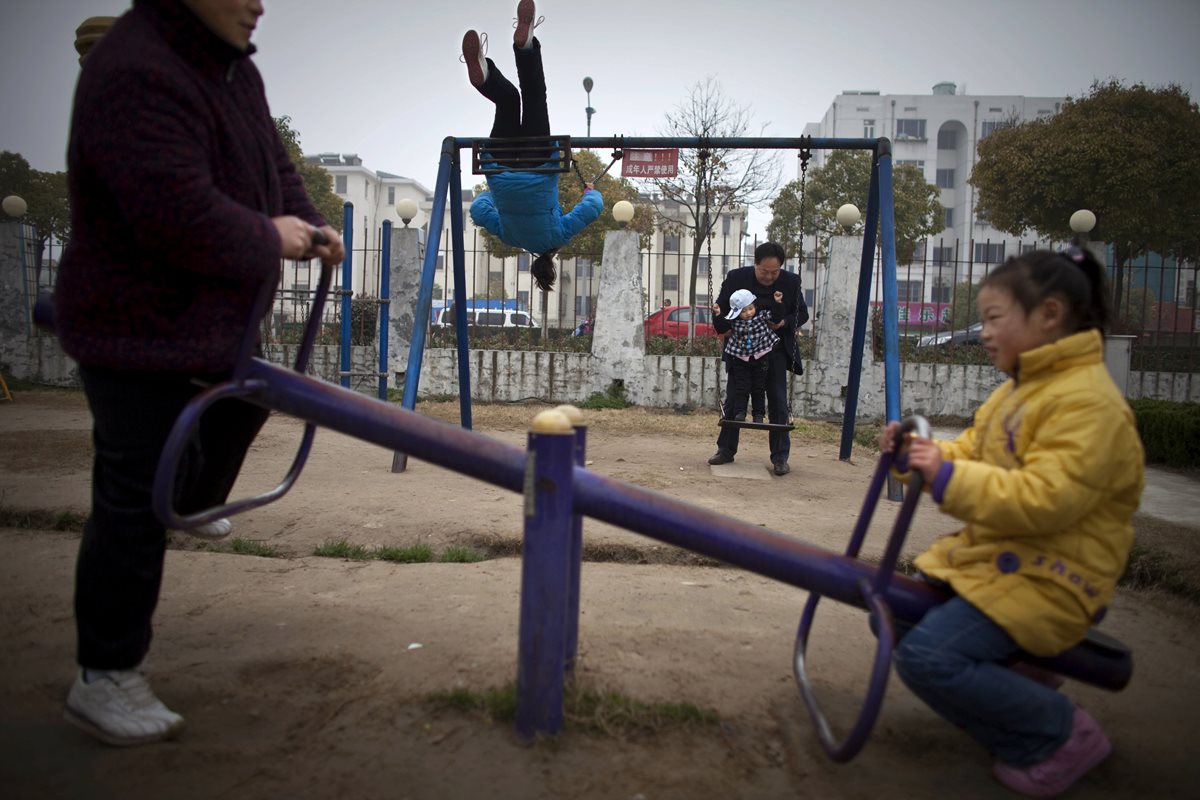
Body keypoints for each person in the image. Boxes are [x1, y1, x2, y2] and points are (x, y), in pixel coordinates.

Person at [53, 0, 344, 746]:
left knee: (242, 407)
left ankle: (186, 496)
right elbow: (170, 211)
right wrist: (269, 236)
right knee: (131, 498)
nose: (258, 3)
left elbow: (274, 166)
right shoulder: (135, 70)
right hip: (134, 329)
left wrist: (310, 222)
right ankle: (105, 675)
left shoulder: (231, 69)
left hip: (209, 330)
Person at [879, 247, 1143, 797]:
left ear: (1049, 314)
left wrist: (947, 476)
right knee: (893, 615)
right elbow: (969, 452)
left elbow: (1047, 498)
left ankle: (1059, 734)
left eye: (994, 318)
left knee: (927, 658)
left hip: (1054, 577)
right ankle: (1009, 684)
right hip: (1007, 567)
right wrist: (917, 458)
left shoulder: (1088, 404)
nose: (984, 333)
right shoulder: (1017, 393)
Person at [463, 0, 604, 292]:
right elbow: (478, 209)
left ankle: (525, 46)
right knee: (508, 101)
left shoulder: (558, 236)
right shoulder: (510, 236)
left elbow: (592, 209)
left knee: (534, 95)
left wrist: (590, 190)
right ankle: (485, 76)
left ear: (551, 262)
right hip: (499, 165)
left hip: (539, 163)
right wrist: (496, 195)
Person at [708, 242, 808, 476]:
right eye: (764, 271)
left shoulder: (791, 282)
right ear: (755, 264)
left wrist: (783, 322)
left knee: (778, 401)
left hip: (774, 349)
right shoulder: (736, 278)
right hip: (741, 349)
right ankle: (726, 450)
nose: (770, 277)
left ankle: (780, 457)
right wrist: (724, 326)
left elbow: (802, 313)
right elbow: (720, 307)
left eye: (775, 272)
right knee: (734, 399)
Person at [716, 288, 783, 424]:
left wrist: (777, 302)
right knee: (742, 387)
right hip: (741, 358)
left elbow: (776, 317)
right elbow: (722, 327)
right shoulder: (735, 322)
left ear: (755, 307)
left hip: (761, 357)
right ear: (737, 313)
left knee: (759, 387)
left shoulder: (761, 317)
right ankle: (740, 413)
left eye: (750, 309)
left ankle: (758, 415)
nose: (748, 313)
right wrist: (717, 314)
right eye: (743, 311)